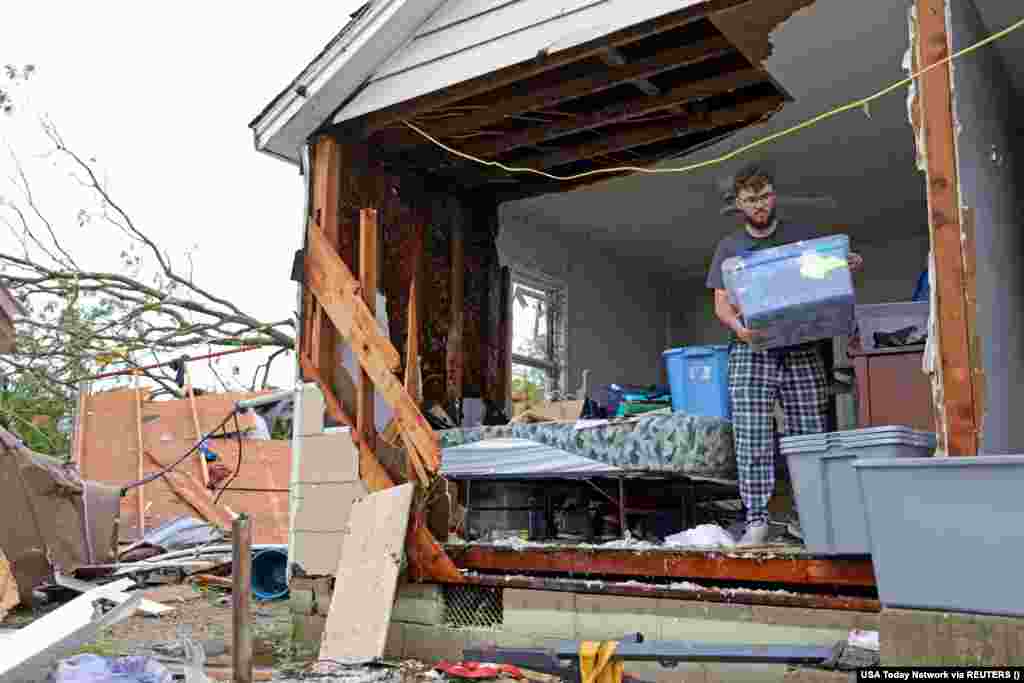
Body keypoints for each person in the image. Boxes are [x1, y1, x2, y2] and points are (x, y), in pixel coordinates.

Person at [705, 163, 863, 545]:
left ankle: (806, 518)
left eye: (763, 197)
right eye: (750, 199)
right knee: (752, 435)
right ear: (738, 204)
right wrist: (739, 329)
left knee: (809, 436)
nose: (758, 205)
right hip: (751, 349)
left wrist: (844, 264)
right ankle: (757, 521)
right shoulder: (729, 248)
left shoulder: (800, 239)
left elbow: (824, 276)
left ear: (773, 197)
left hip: (801, 347)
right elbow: (721, 303)